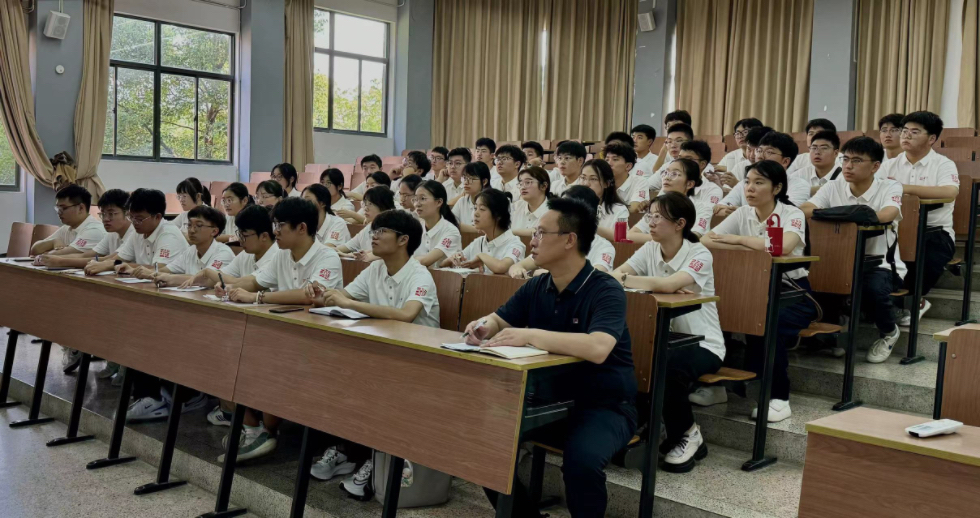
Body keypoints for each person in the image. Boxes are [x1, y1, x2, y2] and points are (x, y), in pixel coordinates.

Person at [464, 195, 637, 518]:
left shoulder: (605, 289)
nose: (532, 240)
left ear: (570, 240)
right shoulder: (538, 285)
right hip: (548, 402)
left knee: (582, 462)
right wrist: (483, 326)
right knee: (483, 445)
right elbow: (500, 319)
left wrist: (529, 335)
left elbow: (598, 347)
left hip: (603, 405)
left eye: (542, 233)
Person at [308, 209, 439, 495]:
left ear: (403, 240)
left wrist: (349, 303)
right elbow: (345, 296)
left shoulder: (420, 275)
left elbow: (406, 315)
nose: (374, 236)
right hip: (382, 354)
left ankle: (376, 460)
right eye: (373, 231)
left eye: (381, 231)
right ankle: (348, 451)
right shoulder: (376, 268)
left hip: (419, 361)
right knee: (333, 374)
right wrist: (324, 297)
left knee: (372, 386)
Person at [611, 192, 724, 473]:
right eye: (649, 215)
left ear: (679, 223)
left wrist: (654, 283)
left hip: (704, 344)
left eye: (658, 216)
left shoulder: (699, 254)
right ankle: (638, 425)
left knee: (665, 366)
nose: (650, 221)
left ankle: (688, 434)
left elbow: (670, 285)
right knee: (632, 357)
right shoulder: (650, 248)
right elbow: (614, 276)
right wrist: (652, 283)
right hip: (664, 338)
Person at [701, 161, 818, 421]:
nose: (750, 188)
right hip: (749, 287)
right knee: (715, 313)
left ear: (776, 188)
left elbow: (782, 246)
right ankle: (718, 387)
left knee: (766, 321)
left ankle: (779, 396)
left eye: (758, 183)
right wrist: (753, 248)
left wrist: (739, 240)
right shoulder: (743, 213)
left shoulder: (792, 214)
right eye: (747, 182)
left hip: (792, 293)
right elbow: (707, 240)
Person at [801, 137, 906, 363]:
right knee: (808, 280)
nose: (848, 166)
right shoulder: (833, 186)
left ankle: (889, 332)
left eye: (856, 161)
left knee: (874, 290)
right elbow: (806, 209)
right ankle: (832, 334)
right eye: (845, 159)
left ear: (875, 166)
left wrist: (840, 215)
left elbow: (886, 214)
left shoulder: (890, 186)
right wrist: (852, 214)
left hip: (879, 263)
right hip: (837, 260)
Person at [876, 111, 958, 327]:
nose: (906, 135)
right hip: (894, 229)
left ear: (931, 138)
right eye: (904, 131)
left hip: (934, 230)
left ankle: (913, 301)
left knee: (927, 253)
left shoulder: (943, 164)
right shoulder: (889, 165)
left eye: (914, 132)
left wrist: (901, 188)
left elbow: (949, 192)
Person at [216, 197, 344, 304]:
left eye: (280, 225)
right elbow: (256, 283)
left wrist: (257, 297)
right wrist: (230, 288)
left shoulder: (328, 257)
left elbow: (309, 296)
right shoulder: (282, 254)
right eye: (274, 225)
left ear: (302, 228)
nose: (275, 231)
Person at [509, 185, 616, 278]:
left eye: (565, 209)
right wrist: (517, 270)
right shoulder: (553, 239)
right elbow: (518, 266)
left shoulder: (604, 247)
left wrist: (548, 274)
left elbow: (593, 276)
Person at [184, 204, 279, 289]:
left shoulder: (276, 257)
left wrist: (208, 272)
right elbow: (222, 275)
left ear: (264, 236)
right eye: (239, 234)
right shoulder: (246, 255)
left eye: (244, 235)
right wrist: (219, 282)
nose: (240, 240)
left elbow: (247, 283)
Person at [622, 158, 713, 243]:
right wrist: (663, 239)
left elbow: (691, 239)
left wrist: (658, 238)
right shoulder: (656, 206)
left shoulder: (702, 208)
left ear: (689, 184)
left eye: (674, 174)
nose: (667, 177)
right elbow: (630, 235)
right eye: (665, 173)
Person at [718, 131, 810, 213]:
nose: (760, 156)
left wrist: (741, 213)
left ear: (785, 161)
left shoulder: (799, 185)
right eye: (759, 151)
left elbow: (787, 213)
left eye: (769, 152)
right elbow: (721, 207)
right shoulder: (745, 183)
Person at [41, 189, 132, 269]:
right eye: (103, 214)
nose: (106, 219)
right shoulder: (112, 234)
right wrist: (51, 258)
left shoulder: (133, 233)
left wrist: (61, 261)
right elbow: (86, 255)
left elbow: (110, 260)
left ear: (127, 213)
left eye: (111, 214)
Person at [110, 189, 191, 278]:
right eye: (131, 217)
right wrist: (107, 264)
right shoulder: (138, 232)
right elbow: (118, 259)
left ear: (157, 217)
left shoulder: (169, 234)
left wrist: (128, 267)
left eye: (139, 219)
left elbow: (157, 269)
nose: (134, 222)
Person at [441, 189, 524, 274]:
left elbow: (501, 267)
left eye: (482, 209)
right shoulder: (478, 242)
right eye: (475, 208)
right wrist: (452, 259)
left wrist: (481, 256)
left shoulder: (515, 244)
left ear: (498, 215)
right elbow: (445, 265)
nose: (475, 214)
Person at [152, 206, 236, 287]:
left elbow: (207, 279)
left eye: (199, 225)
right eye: (189, 225)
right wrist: (151, 273)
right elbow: (165, 270)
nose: (191, 230)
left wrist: (171, 278)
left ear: (214, 231)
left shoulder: (224, 253)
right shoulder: (190, 251)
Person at [31, 184, 107, 258]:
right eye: (58, 209)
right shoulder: (67, 228)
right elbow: (35, 250)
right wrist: (53, 242)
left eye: (64, 208)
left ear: (81, 208)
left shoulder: (94, 230)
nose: (59, 212)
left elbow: (59, 256)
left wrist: (47, 253)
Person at [334, 186, 396, 257]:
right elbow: (345, 247)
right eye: (365, 204)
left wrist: (348, 255)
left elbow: (383, 254)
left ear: (384, 206)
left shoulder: (392, 230)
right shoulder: (369, 228)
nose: (366, 208)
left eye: (370, 204)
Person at [413, 180, 462, 267]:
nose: (417, 204)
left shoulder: (451, 231)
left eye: (422, 199)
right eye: (415, 199)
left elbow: (426, 261)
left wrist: (406, 261)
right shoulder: (414, 228)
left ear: (439, 202)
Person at [579, 159, 629, 230]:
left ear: (607, 183)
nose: (586, 184)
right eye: (583, 178)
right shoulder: (572, 205)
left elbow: (621, 236)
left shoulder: (620, 210)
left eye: (593, 179)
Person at [603, 142, 650, 213]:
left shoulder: (639, 182)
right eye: (607, 160)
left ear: (628, 166)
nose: (609, 163)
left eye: (615, 159)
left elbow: (634, 209)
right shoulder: (601, 180)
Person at [793, 131, 842, 197]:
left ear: (835, 153)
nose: (817, 152)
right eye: (814, 148)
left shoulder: (844, 177)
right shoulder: (800, 175)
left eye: (824, 148)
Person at [649, 123, 694, 193]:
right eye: (669, 141)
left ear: (690, 142)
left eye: (679, 141)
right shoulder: (668, 166)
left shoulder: (700, 167)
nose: (673, 145)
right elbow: (648, 185)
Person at [676, 140, 724, 205]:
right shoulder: (670, 182)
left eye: (688, 159)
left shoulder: (713, 190)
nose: (681, 162)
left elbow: (707, 210)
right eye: (679, 158)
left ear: (702, 164)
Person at [510, 166, 553, 237]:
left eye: (528, 182)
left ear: (544, 186)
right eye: (521, 183)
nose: (522, 187)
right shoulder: (516, 207)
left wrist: (512, 232)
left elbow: (544, 232)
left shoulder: (553, 211)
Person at [451, 161, 492, 232]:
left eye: (472, 179)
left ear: (484, 181)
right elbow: (450, 223)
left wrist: (460, 226)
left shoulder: (493, 201)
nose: (466, 182)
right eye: (465, 178)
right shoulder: (462, 201)